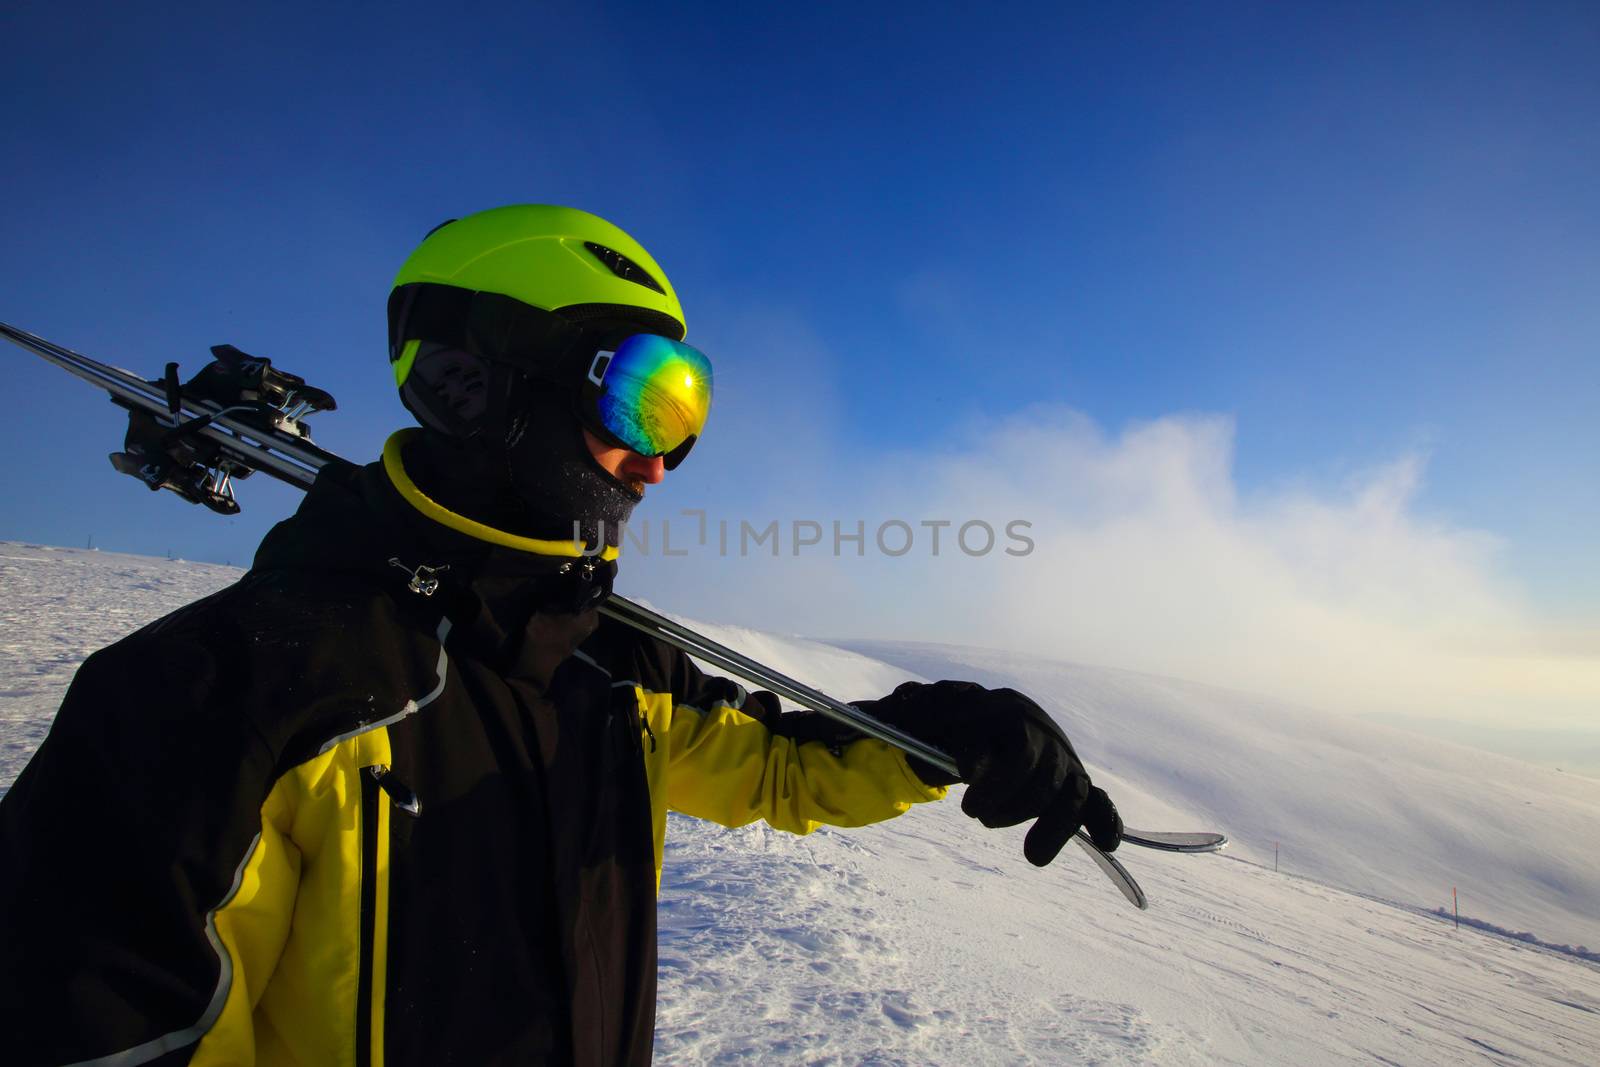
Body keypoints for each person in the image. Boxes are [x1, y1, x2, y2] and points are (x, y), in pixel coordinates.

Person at [0, 205, 1122, 1066]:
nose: (658, 461)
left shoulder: (607, 664)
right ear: (472, 383)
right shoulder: (216, 698)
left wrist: (953, 730)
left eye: (686, 414)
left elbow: (782, 766)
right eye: (641, 398)